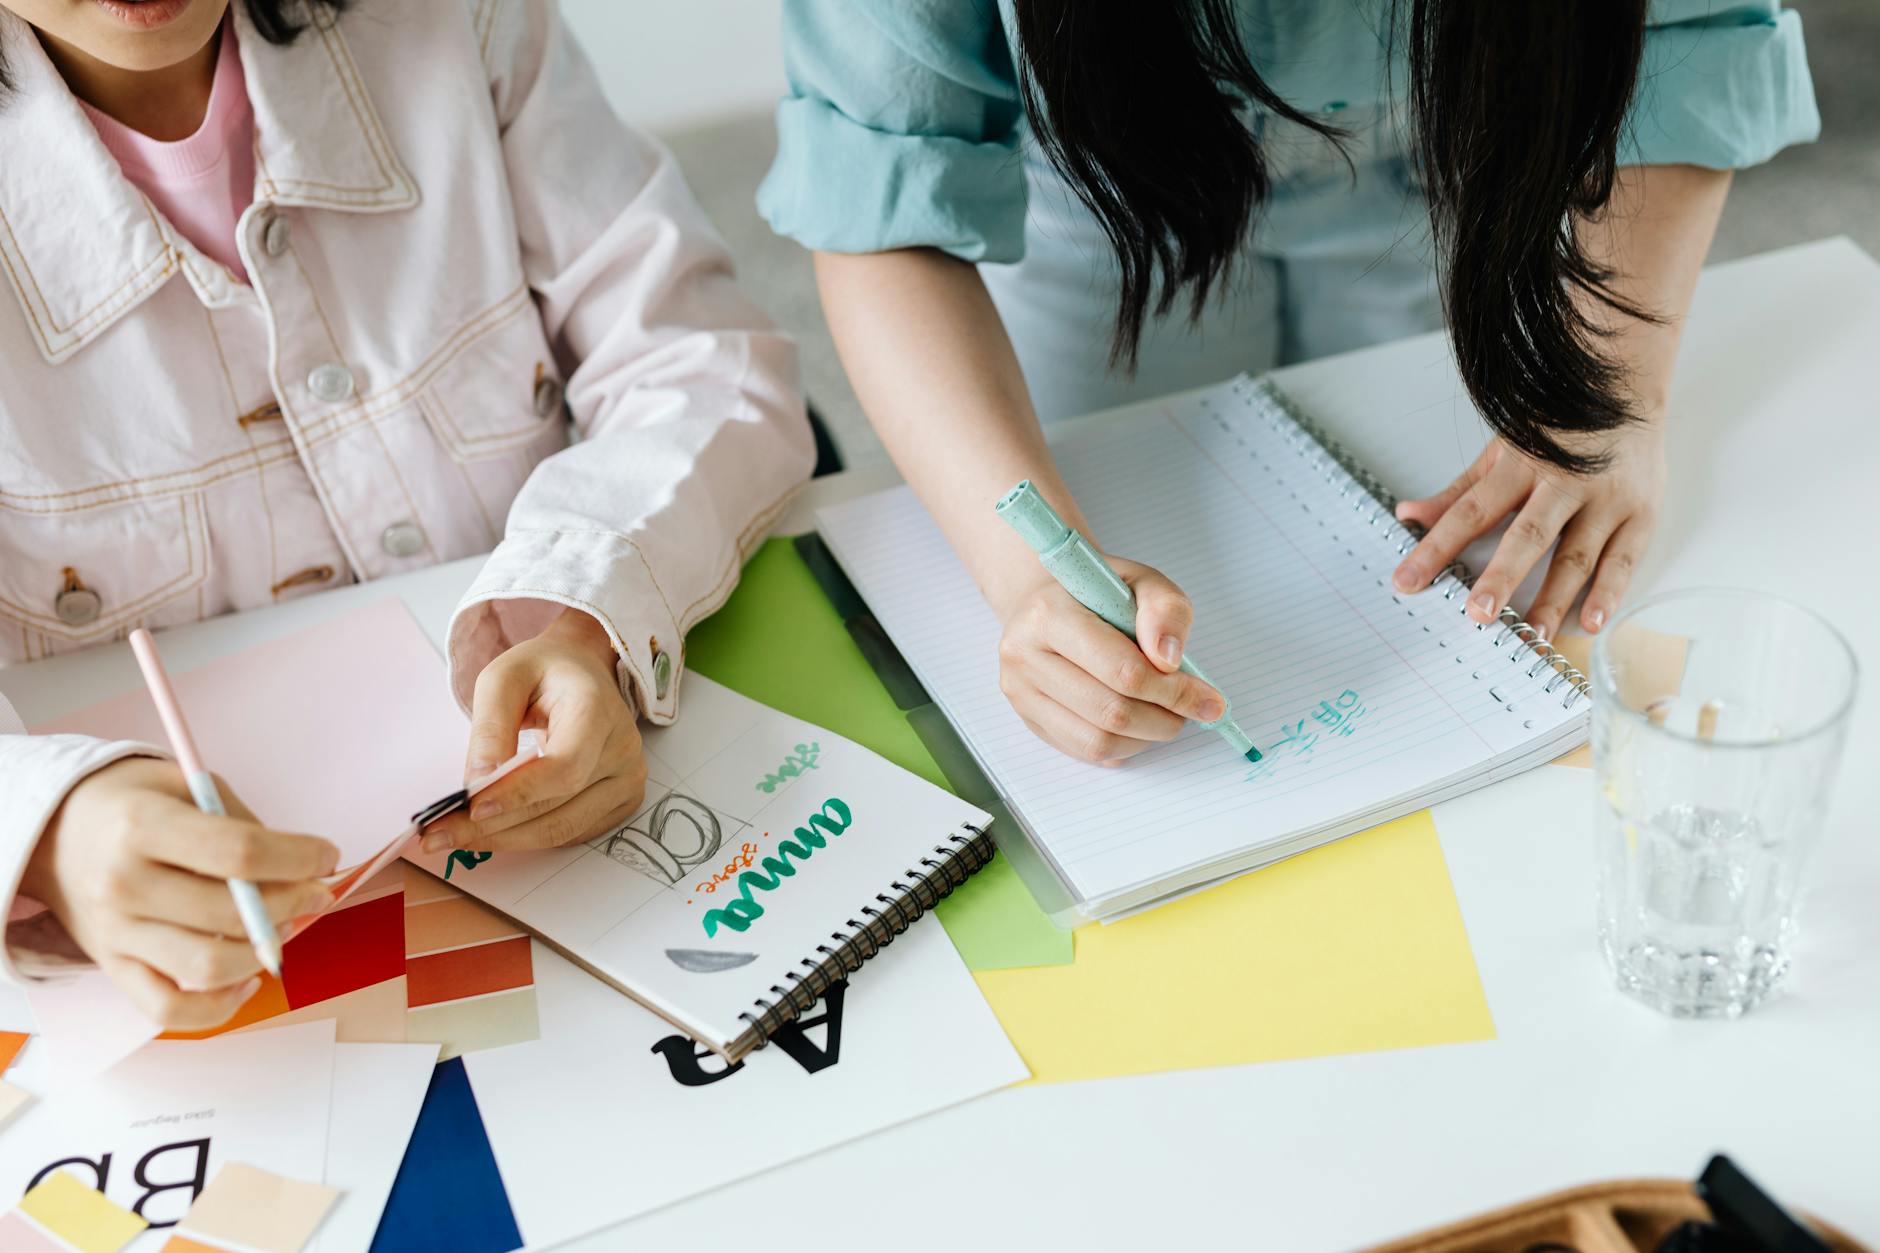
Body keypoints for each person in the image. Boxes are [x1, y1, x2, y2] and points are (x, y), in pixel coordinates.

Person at [0, 0, 812, 1028]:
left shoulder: (463, 22)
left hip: (575, 877)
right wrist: (46, 826)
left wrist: (582, 615)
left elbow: (699, 362)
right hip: (244, 996)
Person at [759, 0, 1817, 766]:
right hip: (1099, 197)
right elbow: (881, 193)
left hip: (1449, 164)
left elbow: (1686, 40)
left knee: (1433, 503)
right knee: (1107, 527)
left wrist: (1608, 388)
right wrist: (1027, 582)